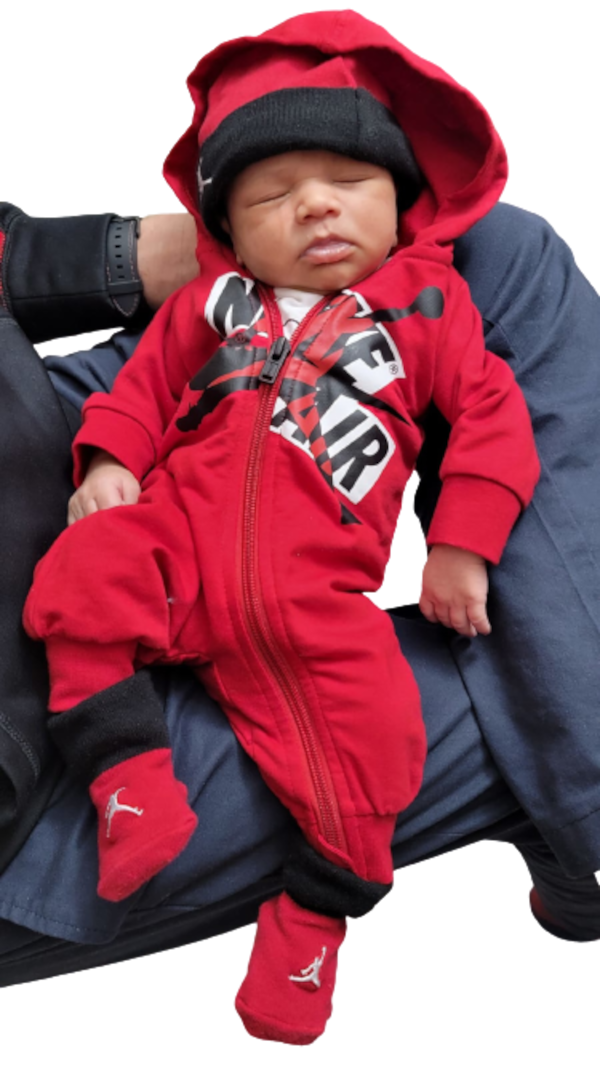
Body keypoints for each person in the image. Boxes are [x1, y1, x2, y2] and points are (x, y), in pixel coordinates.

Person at [1, 13, 600, 1040]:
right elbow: (139, 395)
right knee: (84, 576)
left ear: (402, 205)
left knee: (373, 742)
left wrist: (463, 545)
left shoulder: (428, 305)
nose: (315, 204)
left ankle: (314, 923)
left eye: (350, 182)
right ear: (234, 232)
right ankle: (128, 779)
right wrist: (107, 463)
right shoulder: (213, 308)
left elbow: (492, 419)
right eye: (272, 196)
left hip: (310, 588)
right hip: (169, 549)